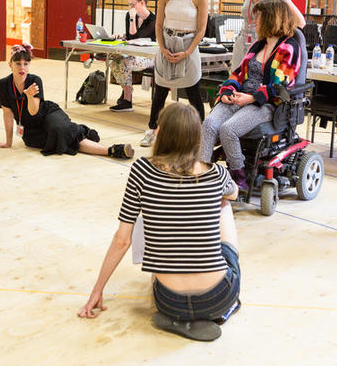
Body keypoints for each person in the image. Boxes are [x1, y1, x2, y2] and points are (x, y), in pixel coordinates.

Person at [78, 103, 240, 342]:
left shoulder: (141, 170)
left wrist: (97, 289)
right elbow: (234, 193)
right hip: (218, 296)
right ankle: (222, 310)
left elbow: (122, 240)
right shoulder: (216, 172)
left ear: (161, 131)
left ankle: (178, 315)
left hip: (167, 301)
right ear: (197, 138)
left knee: (152, 223)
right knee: (224, 205)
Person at [199, 0, 302, 189]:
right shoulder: (257, 46)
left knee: (228, 130)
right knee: (209, 125)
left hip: (265, 104)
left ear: (272, 20)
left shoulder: (289, 48)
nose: (254, 22)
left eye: (259, 18)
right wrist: (227, 91)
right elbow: (239, 73)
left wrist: (252, 98)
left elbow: (281, 86)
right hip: (240, 97)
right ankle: (202, 175)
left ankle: (239, 176)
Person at [0, 44, 134, 159]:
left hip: (47, 113)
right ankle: (82, 131)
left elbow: (33, 111)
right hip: (30, 128)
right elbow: (7, 114)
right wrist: (8, 142)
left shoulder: (34, 80)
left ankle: (112, 150)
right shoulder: (2, 85)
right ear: (10, 65)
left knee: (60, 131)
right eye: (17, 64)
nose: (22, 68)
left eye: (26, 64)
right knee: (54, 139)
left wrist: (30, 97)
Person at [140, 0, 208, 147]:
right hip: (167, 43)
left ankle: (200, 134)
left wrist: (187, 52)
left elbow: (201, 29)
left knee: (193, 91)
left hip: (188, 45)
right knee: (159, 90)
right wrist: (162, 48)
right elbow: (159, 25)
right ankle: (152, 129)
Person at [109, 0, 157, 112]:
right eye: (129, 5)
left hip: (149, 57)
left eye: (133, 4)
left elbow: (137, 38)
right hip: (134, 54)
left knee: (122, 63)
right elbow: (130, 38)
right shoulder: (129, 15)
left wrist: (132, 20)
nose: (131, 8)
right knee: (114, 61)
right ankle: (127, 94)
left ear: (142, 3)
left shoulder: (153, 20)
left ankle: (127, 99)